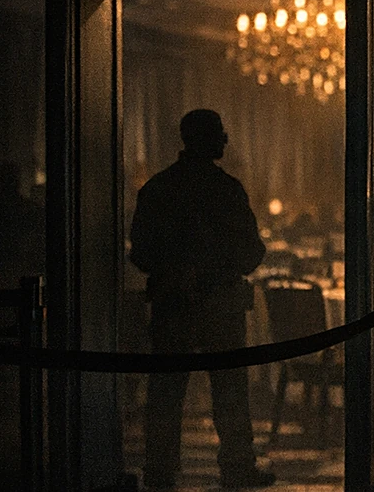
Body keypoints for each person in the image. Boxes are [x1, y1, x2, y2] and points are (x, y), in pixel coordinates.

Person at [130, 110, 274, 489]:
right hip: (221, 304)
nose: (225, 140)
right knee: (230, 392)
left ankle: (160, 470)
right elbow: (251, 254)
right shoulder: (227, 191)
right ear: (207, 138)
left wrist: (176, 271)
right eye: (220, 133)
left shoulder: (159, 188)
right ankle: (237, 466)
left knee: (166, 394)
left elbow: (141, 253)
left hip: (172, 304)